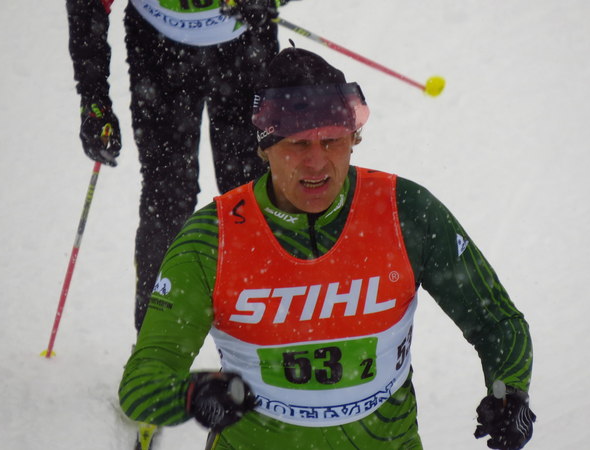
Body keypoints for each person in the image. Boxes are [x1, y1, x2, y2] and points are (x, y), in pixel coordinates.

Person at [118, 47, 536, 449]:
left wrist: (511, 392)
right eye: (298, 143)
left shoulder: (405, 212)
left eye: (332, 140)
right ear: (265, 148)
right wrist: (192, 395)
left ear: (354, 138)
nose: (317, 163)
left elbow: (497, 322)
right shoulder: (214, 238)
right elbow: (141, 385)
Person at [66, 0, 291, 332]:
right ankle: (154, 345)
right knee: (167, 199)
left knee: (254, 195)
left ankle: (275, 336)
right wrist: (93, 100)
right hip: (159, 51)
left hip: (243, 48)